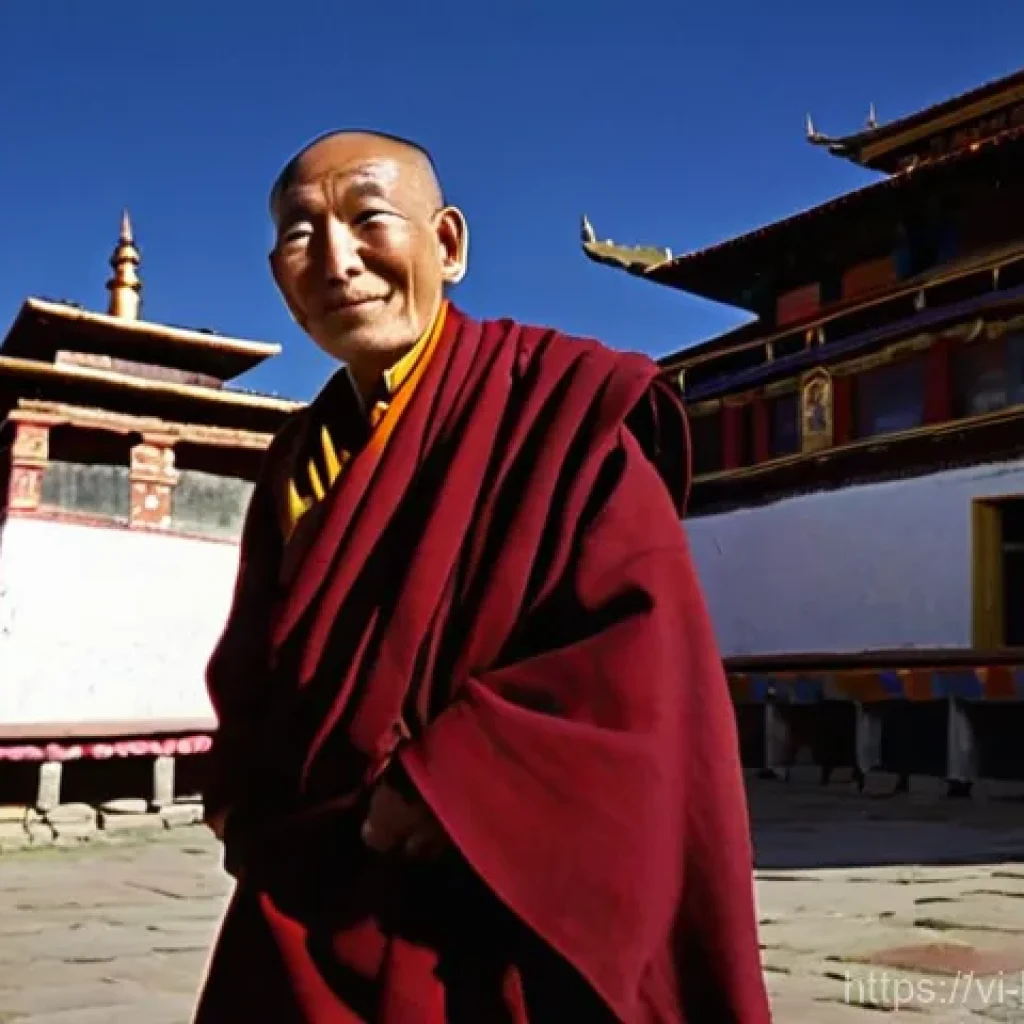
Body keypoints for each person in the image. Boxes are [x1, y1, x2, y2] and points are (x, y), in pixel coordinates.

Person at [192, 130, 771, 1024]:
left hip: (481, 884)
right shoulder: (297, 458)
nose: (339, 259)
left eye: (368, 219)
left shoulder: (550, 409)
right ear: (280, 277)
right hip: (303, 882)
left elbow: (640, 661)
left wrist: (447, 781)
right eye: (303, 235)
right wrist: (235, 782)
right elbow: (260, 649)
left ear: (449, 245)